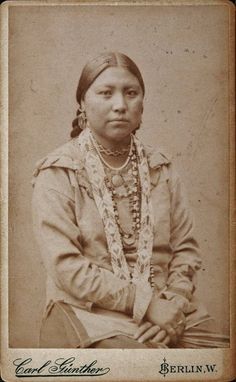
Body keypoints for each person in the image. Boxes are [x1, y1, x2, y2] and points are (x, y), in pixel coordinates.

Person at [32, 52, 228, 349]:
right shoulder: (59, 172)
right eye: (106, 93)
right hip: (91, 311)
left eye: (131, 93)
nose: (120, 105)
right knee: (139, 361)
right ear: (82, 103)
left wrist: (171, 305)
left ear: (142, 103)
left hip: (167, 306)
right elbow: (66, 267)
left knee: (224, 355)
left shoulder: (160, 168)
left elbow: (185, 248)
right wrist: (146, 306)